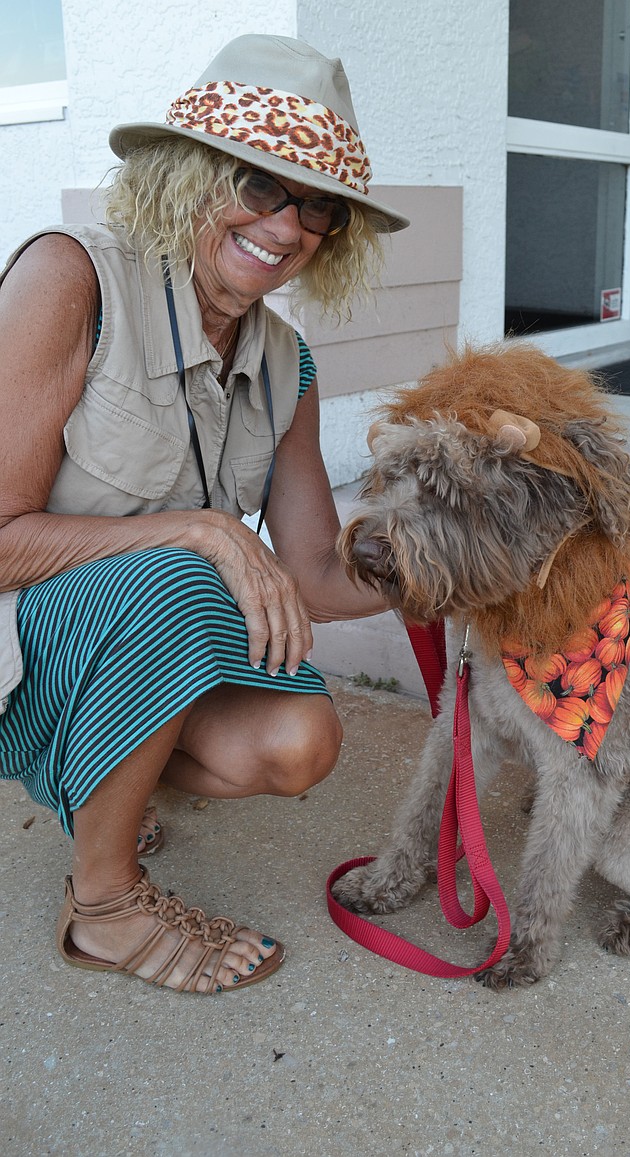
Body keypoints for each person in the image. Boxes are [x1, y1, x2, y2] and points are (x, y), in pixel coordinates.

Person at [0, 35, 408, 994]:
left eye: (315, 202)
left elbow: (310, 570)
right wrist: (204, 526)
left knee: (300, 741)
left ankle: (100, 775)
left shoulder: (287, 362)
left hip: (136, 638)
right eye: (257, 182)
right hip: (19, 638)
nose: (286, 223)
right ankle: (102, 905)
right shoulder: (73, 279)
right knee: (186, 569)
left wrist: (456, 566)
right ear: (190, 173)